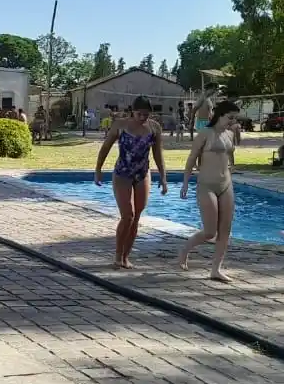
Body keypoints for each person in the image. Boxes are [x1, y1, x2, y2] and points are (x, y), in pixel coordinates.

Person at [95, 96, 167, 269]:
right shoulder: (120, 125)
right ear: (132, 111)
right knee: (128, 215)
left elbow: (158, 154)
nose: (143, 118)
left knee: (136, 218)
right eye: (139, 114)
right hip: (122, 174)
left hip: (142, 174)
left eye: (146, 115)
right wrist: (98, 170)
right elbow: (105, 147)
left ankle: (126, 257)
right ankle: (118, 255)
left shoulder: (154, 128)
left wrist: (163, 177)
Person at [177, 100, 239, 282]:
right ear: (220, 115)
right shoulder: (205, 134)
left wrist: (232, 166)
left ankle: (216, 270)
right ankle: (184, 250)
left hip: (226, 184)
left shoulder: (229, 133)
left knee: (225, 230)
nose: (232, 121)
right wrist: (185, 183)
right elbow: (191, 159)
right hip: (207, 185)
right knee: (210, 232)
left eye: (234, 118)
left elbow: (229, 154)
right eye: (230, 117)